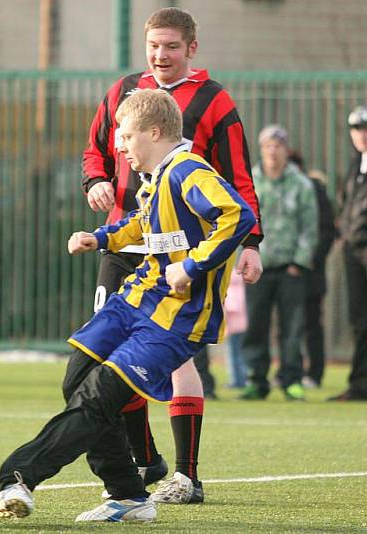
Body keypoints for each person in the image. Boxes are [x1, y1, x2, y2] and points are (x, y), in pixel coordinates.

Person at [0, 88, 256, 524]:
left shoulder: (189, 170)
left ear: (154, 132)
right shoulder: (159, 174)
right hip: (136, 298)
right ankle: (129, 495)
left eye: (127, 136)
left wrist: (191, 265)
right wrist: (101, 238)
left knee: (99, 396)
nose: (118, 145)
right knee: (77, 377)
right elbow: (143, 222)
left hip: (174, 317)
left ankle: (18, 477)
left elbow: (237, 215)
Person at [81, 7, 263, 503]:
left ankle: (186, 476)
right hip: (122, 243)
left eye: (172, 47)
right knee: (109, 360)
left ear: (191, 49)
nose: (161, 55)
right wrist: (96, 180)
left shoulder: (214, 100)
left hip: (178, 256)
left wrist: (251, 244)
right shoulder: (122, 92)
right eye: (154, 46)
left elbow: (237, 178)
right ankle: (145, 463)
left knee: (177, 361)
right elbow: (95, 148)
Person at [239, 125, 318, 401]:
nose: (272, 151)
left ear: (286, 150)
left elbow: (310, 227)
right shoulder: (251, 183)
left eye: (277, 146)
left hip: (290, 269)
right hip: (258, 268)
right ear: (261, 150)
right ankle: (256, 380)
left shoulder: (301, 184)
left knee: (292, 327)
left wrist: (300, 261)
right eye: (267, 146)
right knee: (256, 326)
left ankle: (291, 379)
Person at [329, 105, 367, 401]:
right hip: (355, 254)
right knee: (359, 319)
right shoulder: (357, 165)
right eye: (356, 128)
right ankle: (360, 383)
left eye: (364, 127)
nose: (361, 134)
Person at [303, 169, 337, 388]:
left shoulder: (315, 191)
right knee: (288, 326)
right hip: (286, 269)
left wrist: (313, 259)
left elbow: (327, 231)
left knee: (311, 323)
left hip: (311, 272)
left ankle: (315, 373)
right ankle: (290, 371)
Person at [223, 268, 248, 388]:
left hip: (234, 328)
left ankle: (238, 380)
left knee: (235, 354)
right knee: (240, 353)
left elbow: (230, 310)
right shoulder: (243, 291)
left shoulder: (231, 292)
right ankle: (241, 379)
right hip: (243, 327)